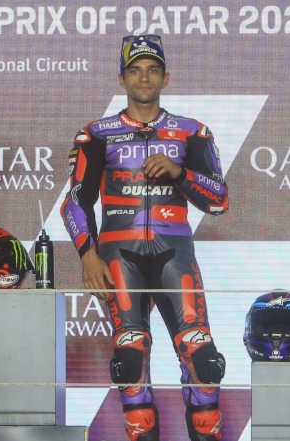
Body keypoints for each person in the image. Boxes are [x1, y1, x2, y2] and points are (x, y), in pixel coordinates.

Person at [61, 35, 228, 441]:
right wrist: (87, 256)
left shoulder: (192, 133)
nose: (144, 78)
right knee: (129, 365)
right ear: (121, 79)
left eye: (152, 69)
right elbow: (75, 204)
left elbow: (220, 201)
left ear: (166, 78)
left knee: (204, 362)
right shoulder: (96, 134)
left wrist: (180, 174)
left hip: (175, 254)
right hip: (120, 257)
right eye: (135, 70)